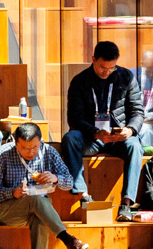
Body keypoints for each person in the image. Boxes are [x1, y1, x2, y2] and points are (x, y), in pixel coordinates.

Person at [0, 124, 89, 249]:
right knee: (36, 201)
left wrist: (55, 178)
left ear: (40, 141)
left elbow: (69, 181)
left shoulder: (49, 152)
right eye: (24, 148)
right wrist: (13, 192)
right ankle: (66, 238)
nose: (30, 152)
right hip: (8, 209)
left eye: (34, 147)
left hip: (39, 208)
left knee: (39, 213)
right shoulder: (2, 154)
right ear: (16, 144)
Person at [61, 41, 147, 222]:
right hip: (90, 137)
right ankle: (83, 194)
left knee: (135, 145)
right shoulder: (79, 81)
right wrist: (94, 132)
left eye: (111, 68)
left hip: (118, 138)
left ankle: (127, 203)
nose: (106, 72)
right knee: (70, 138)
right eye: (102, 67)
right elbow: (74, 118)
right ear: (93, 60)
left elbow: (138, 111)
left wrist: (130, 130)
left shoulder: (126, 77)